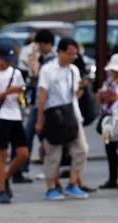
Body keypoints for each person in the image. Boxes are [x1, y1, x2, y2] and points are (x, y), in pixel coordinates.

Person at [35, 38, 89, 201]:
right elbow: (42, 97)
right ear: (60, 51)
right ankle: (51, 188)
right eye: (70, 53)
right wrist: (40, 120)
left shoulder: (73, 70)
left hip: (72, 116)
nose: (73, 57)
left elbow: (75, 96)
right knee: (53, 154)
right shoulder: (48, 69)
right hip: (53, 117)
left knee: (82, 150)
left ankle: (73, 184)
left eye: (75, 54)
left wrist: (81, 89)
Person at [0, 40, 29, 204]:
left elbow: (22, 92)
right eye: (5, 58)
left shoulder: (16, 73)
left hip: (16, 115)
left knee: (23, 153)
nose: (7, 62)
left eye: (9, 59)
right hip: (0, 116)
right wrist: (8, 92)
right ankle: (1, 189)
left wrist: (20, 95)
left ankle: (6, 178)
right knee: (1, 154)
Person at [18, 29, 56, 183]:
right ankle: (24, 168)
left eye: (39, 44)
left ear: (47, 44)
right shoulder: (42, 57)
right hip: (37, 102)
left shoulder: (52, 59)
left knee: (44, 137)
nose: (38, 47)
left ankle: (49, 169)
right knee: (33, 135)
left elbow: (35, 72)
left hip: (48, 103)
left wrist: (33, 54)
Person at [96, 54, 118, 189]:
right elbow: (100, 97)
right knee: (109, 148)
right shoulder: (108, 81)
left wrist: (109, 96)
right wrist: (105, 96)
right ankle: (112, 178)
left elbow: (112, 97)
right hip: (107, 120)